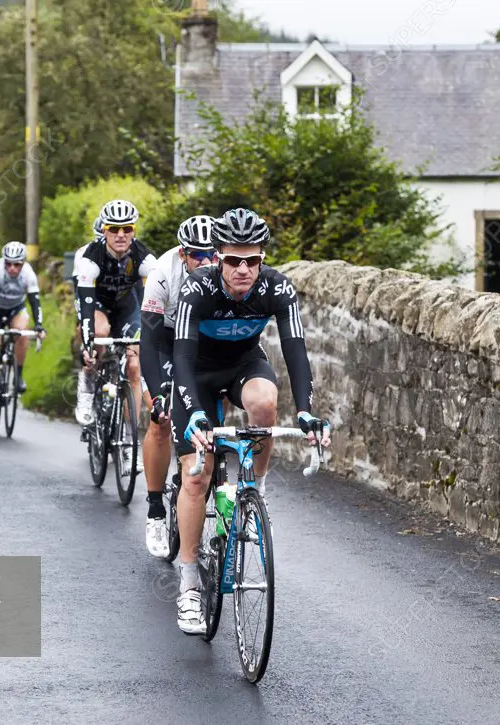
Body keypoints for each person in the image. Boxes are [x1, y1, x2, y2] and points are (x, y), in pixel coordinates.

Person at [170, 208, 330, 635]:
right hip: (197, 373)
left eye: (252, 260)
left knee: (265, 403)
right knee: (196, 478)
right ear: (218, 257)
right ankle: (188, 582)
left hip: (243, 364)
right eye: (233, 259)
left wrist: (307, 409)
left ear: (262, 259)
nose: (243, 269)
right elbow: (181, 356)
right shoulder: (196, 290)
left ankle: (255, 488)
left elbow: (296, 349)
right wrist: (196, 412)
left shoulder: (277, 288)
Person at [138, 215, 217, 557]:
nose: (205, 261)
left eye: (211, 254)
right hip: (165, 340)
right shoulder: (161, 274)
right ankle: (156, 509)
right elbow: (149, 340)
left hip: (202, 341)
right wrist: (158, 394)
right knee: (161, 420)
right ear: (183, 254)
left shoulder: (224, 270)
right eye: (196, 254)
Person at [71, 200, 156, 428]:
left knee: (135, 365)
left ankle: (130, 441)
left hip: (126, 306)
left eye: (127, 229)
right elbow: (85, 305)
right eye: (114, 229)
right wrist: (88, 344)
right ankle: (87, 393)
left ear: (133, 231)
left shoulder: (144, 257)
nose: (120, 234)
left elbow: (156, 301)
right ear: (104, 230)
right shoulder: (89, 257)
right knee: (99, 333)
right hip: (96, 304)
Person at [0, 242, 46, 415]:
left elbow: (35, 303)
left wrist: (39, 325)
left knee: (21, 333)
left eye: (17, 264)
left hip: (16, 309)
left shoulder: (28, 274)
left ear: (23, 263)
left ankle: (18, 376)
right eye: (8, 263)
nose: (12, 268)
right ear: (4, 261)